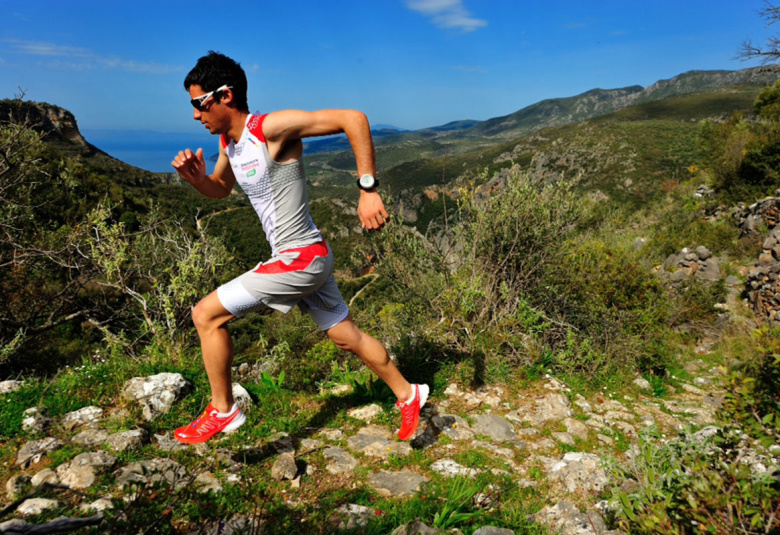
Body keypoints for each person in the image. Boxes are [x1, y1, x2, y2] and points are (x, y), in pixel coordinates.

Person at [170, 51, 428, 445]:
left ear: (225, 96)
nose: (194, 114)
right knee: (346, 337)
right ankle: (409, 394)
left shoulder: (270, 128)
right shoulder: (229, 143)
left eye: (198, 103)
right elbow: (220, 189)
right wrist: (196, 180)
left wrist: (368, 189)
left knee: (205, 315)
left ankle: (222, 411)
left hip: (299, 260)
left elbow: (353, 119)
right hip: (309, 256)